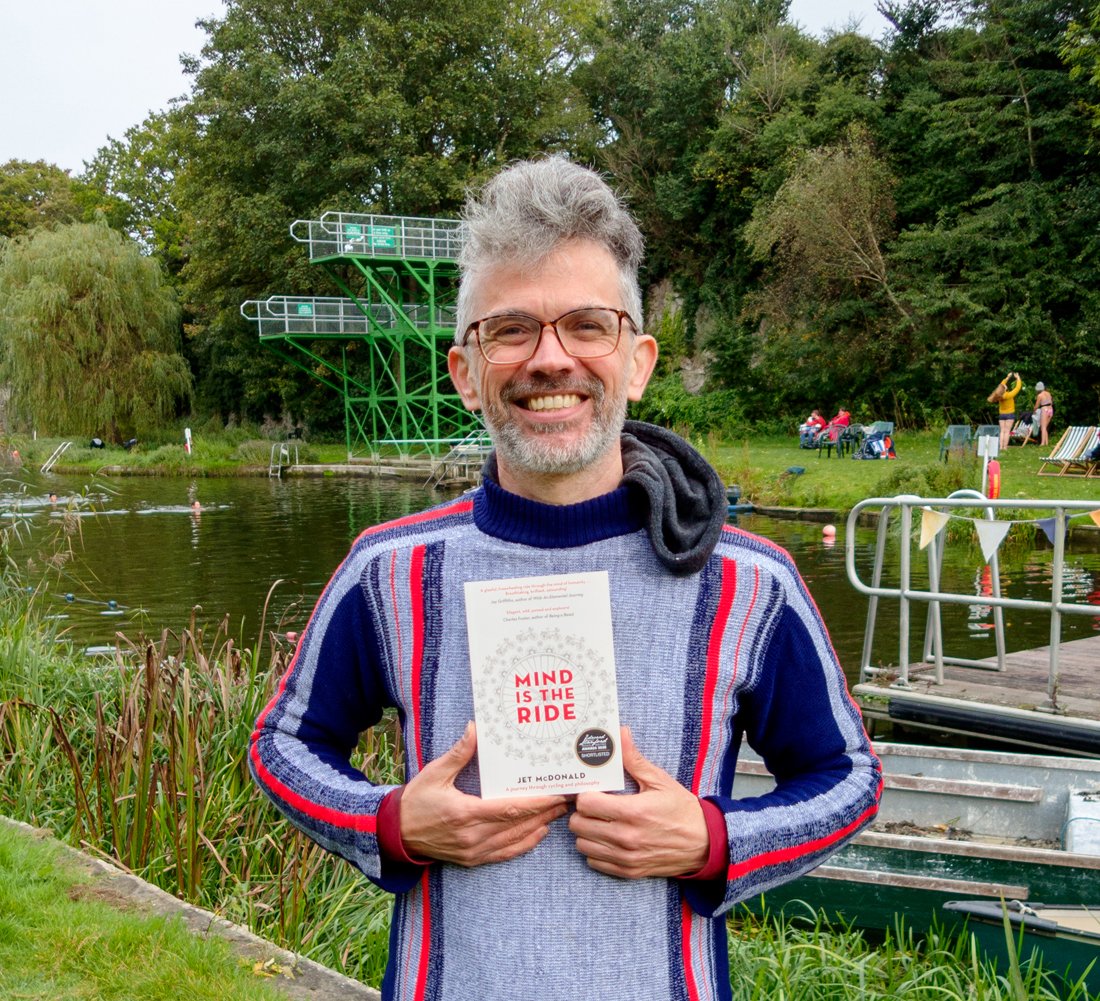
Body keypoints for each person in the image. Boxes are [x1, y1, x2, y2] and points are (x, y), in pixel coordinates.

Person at [249, 157, 881, 1001]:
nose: (551, 359)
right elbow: (282, 746)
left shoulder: (748, 582)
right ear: (465, 373)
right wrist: (392, 822)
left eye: (588, 324)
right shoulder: (389, 571)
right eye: (510, 329)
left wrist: (712, 838)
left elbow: (849, 778)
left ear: (638, 359)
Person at [989, 372, 1022, 448]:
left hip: (1002, 415)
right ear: (1004, 390)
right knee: (1007, 432)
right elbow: (1017, 388)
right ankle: (1005, 447)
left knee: (1002, 431)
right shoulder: (1008, 395)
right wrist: (1018, 378)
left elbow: (1001, 385)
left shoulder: (998, 396)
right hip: (1010, 415)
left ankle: (1001, 447)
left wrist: (1008, 377)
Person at [1032, 382, 1053, 447]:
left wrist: (1034, 411)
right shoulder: (1048, 393)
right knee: (1045, 427)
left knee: (1043, 427)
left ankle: (1042, 443)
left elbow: (1036, 406)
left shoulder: (1040, 395)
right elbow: (1051, 403)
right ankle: (1046, 443)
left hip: (1044, 409)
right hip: (1050, 410)